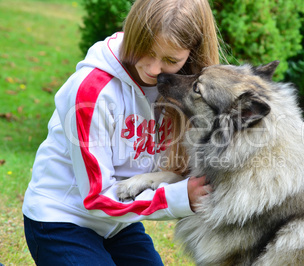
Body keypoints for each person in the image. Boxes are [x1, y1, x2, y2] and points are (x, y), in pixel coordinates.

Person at [22, 0, 222, 264]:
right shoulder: (92, 92)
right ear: (134, 33)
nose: (153, 70)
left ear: (191, 55)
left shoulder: (190, 91)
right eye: (146, 51)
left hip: (119, 225)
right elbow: (96, 198)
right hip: (62, 219)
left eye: (171, 60)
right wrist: (180, 197)